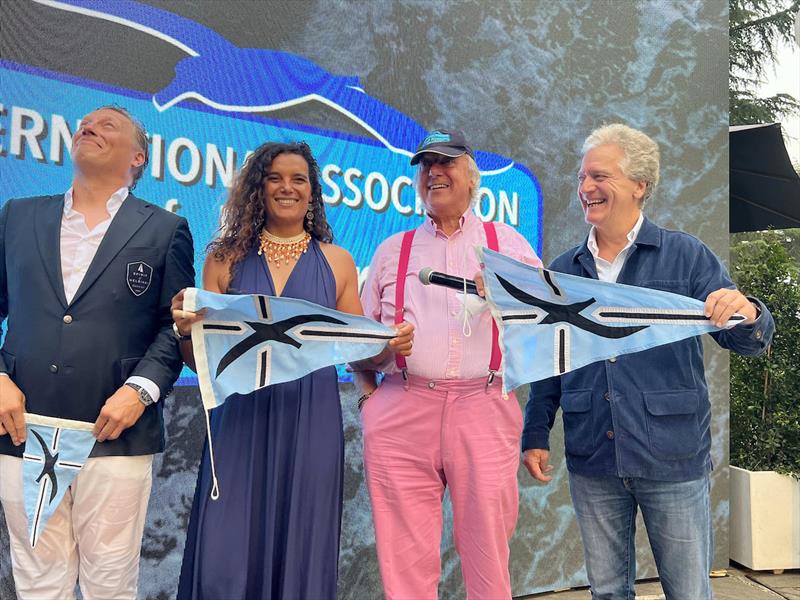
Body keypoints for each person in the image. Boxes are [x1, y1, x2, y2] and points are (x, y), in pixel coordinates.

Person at [522, 123, 775, 599]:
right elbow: (549, 359)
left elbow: (745, 340)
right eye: (581, 178)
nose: (585, 188)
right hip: (593, 453)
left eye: (599, 176)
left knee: (687, 592)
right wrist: (536, 433)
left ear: (640, 184)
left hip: (672, 456)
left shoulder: (686, 256)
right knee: (608, 593)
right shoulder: (561, 270)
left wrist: (749, 313)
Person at [172, 141, 413, 600]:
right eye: (275, 177)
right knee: (225, 553)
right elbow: (204, 362)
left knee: (299, 546)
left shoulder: (337, 261)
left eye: (298, 179)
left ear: (312, 191)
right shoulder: (223, 259)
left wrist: (389, 346)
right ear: (257, 189)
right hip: (238, 420)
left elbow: (360, 354)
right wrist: (185, 332)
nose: (287, 187)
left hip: (311, 418)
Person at [0, 105, 194, 599]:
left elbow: (177, 327)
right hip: (22, 433)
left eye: (108, 124)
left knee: (110, 584)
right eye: (84, 122)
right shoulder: (18, 216)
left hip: (115, 436)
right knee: (38, 583)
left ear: (137, 157)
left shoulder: (165, 229)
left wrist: (141, 390)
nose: (88, 126)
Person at [356, 129, 542, 599]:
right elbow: (357, 346)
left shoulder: (510, 245)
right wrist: (370, 392)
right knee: (405, 563)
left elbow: (545, 328)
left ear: (471, 175)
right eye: (426, 165)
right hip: (402, 407)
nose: (434, 172)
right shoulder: (390, 252)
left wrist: (509, 299)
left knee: (488, 557)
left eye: (446, 162)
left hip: (483, 407)